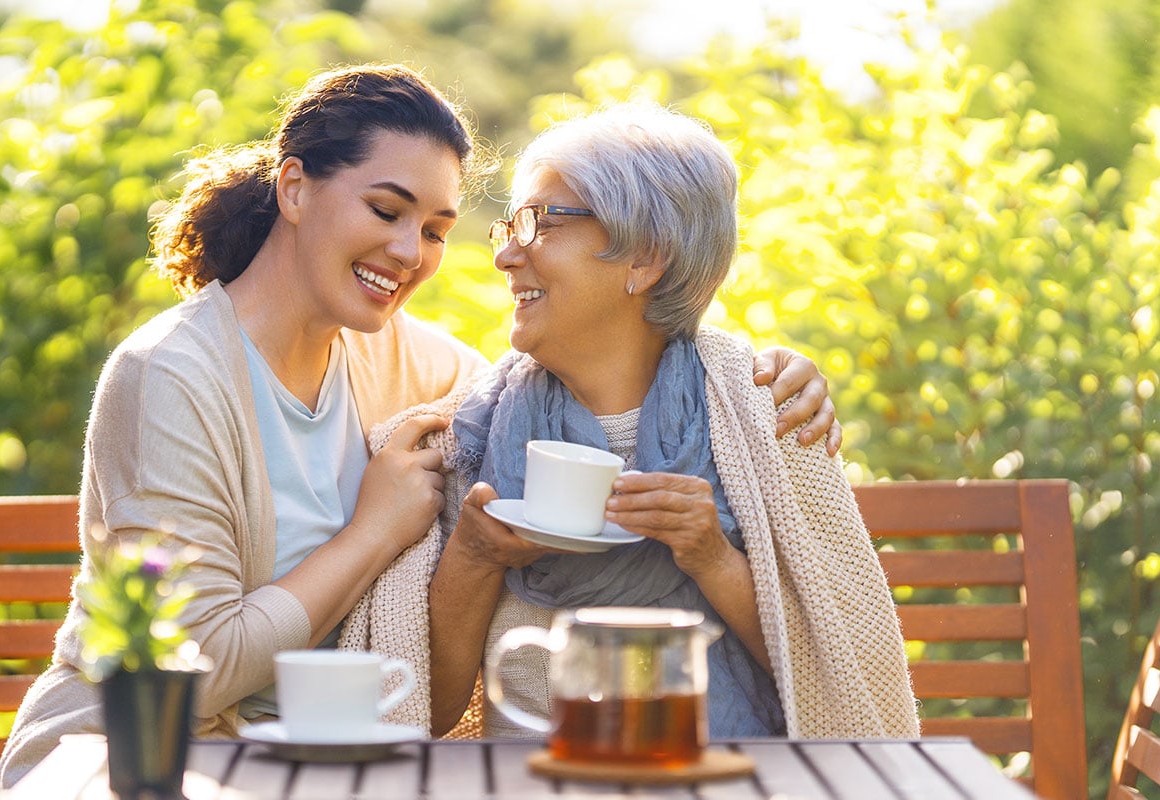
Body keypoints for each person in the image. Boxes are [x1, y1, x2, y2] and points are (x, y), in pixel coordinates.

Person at [0, 65, 838, 790]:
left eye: (435, 229)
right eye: (387, 210)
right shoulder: (169, 377)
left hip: (312, 760)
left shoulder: (403, 358)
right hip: (132, 758)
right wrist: (372, 531)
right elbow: (196, 672)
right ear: (294, 188)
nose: (410, 252)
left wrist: (767, 369)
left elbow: (586, 359)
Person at [340, 103, 919, 741]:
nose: (505, 255)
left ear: (645, 258)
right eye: (510, 225)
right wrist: (474, 557)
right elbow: (424, 711)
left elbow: (842, 675)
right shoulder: (466, 441)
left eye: (541, 224)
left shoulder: (766, 417)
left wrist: (711, 557)